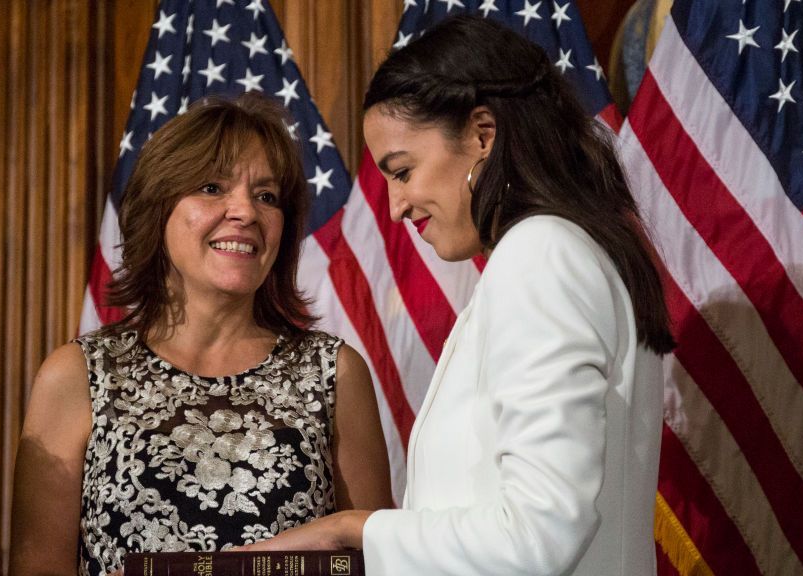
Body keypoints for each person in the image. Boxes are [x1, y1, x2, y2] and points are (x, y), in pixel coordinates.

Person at [242, 15, 675, 576]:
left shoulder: (540, 254)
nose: (396, 206)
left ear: (482, 135)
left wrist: (352, 527)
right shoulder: (556, 251)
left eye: (402, 171)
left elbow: (538, 534)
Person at [9, 94, 394, 576]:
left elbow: (377, 560)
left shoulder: (334, 372)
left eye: (267, 196)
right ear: (159, 209)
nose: (245, 212)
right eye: (212, 187)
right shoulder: (78, 375)